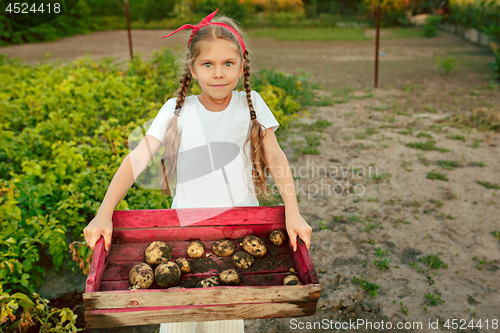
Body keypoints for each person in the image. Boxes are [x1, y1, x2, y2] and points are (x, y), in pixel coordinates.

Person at [83, 9, 312, 333]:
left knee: (224, 322)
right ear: (193, 68)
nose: (218, 73)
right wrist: (104, 213)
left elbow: (275, 157)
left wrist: (294, 212)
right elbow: (137, 158)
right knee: (178, 322)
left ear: (242, 65)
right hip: (184, 234)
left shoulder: (252, 104)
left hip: (237, 235)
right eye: (208, 64)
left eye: (228, 64)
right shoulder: (177, 110)